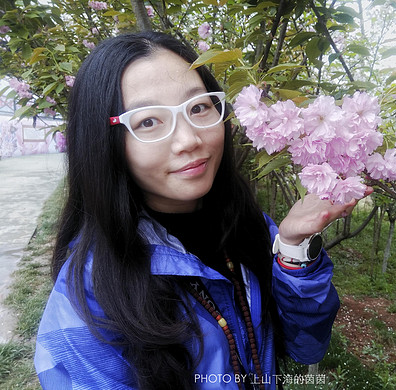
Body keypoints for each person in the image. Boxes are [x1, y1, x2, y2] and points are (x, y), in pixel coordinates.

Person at [34, 31, 369, 390]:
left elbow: (306, 347)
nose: (190, 139)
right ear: (104, 140)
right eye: (148, 121)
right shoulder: (89, 293)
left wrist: (292, 249)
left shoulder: (248, 226)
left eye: (198, 107)